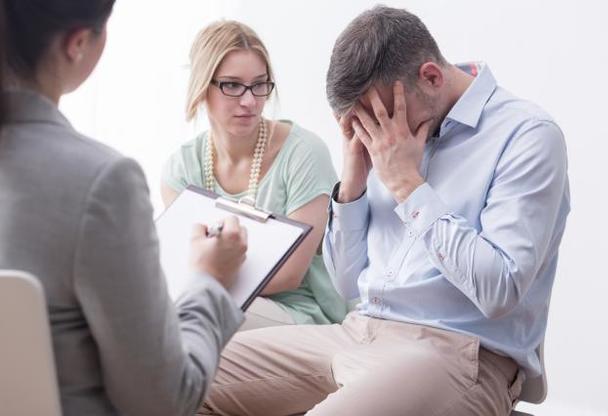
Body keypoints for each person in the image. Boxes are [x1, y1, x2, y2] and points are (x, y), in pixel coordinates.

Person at [196, 6, 570, 416]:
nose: (377, 131)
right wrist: (353, 184)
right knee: (174, 376)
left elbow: (499, 291)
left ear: (431, 77)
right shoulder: (388, 133)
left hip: (457, 353)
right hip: (358, 331)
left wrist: (408, 185)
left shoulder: (525, 135)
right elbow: (346, 284)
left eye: (380, 116)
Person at [0, 1, 249, 415]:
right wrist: (210, 280)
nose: (247, 100)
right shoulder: (102, 181)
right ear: (78, 43)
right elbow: (164, 401)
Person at [161, 20, 347, 331]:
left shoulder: (304, 154)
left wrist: (208, 274)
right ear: (202, 87)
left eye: (259, 85)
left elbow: (289, 274)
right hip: (216, 298)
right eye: (232, 85)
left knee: (187, 312)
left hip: (300, 312)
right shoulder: (180, 169)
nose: (249, 101)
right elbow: (181, 265)